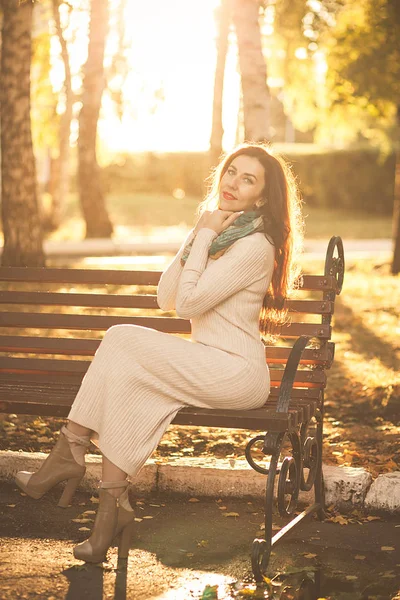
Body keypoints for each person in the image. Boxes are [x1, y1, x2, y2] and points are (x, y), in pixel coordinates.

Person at [14, 142, 303, 564]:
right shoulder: (218, 233)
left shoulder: (255, 246)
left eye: (248, 179)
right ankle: (106, 520)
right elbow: (166, 296)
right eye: (231, 172)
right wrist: (197, 236)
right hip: (207, 361)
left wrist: (203, 236)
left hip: (237, 373)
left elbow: (186, 306)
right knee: (133, 383)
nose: (233, 183)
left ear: (261, 196)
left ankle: (67, 452)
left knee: (120, 338)